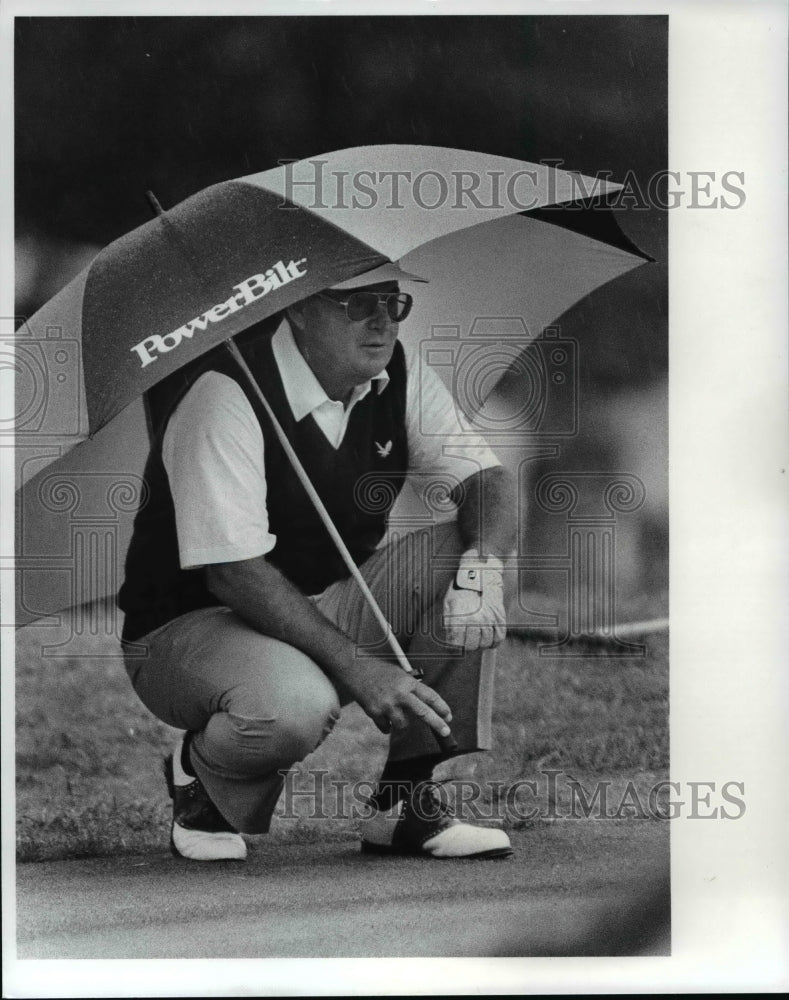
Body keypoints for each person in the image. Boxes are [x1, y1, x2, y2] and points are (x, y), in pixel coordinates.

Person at [119, 262, 517, 862]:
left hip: (315, 602)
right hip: (188, 627)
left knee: (462, 552)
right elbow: (234, 573)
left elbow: (488, 480)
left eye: (394, 303)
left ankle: (403, 805)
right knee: (296, 709)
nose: (383, 321)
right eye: (360, 305)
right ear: (299, 308)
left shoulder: (397, 373)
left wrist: (484, 565)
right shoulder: (224, 394)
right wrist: (362, 669)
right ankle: (200, 776)